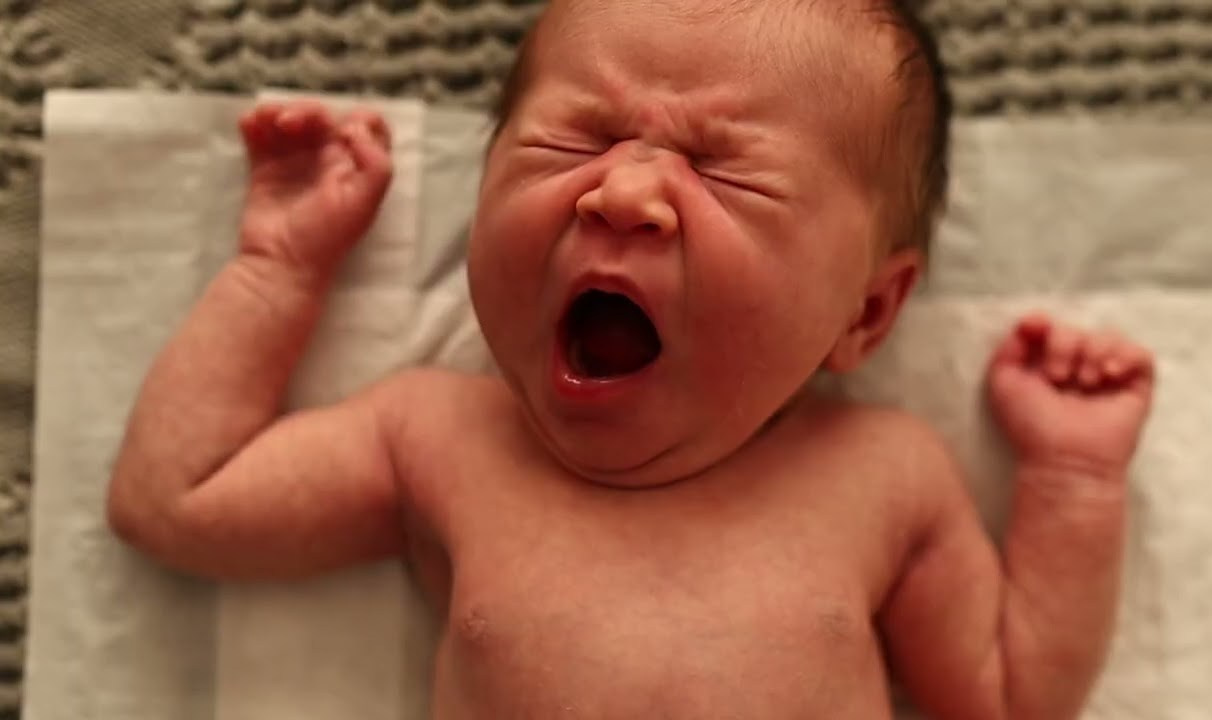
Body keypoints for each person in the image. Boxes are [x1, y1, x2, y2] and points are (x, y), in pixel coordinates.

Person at [108, 0, 1156, 717]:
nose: (623, 193)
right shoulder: (433, 438)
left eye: (725, 171)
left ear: (866, 310)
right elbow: (177, 500)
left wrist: (1071, 479)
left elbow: (1009, 693)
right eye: (571, 141)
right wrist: (277, 269)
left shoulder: (880, 476)